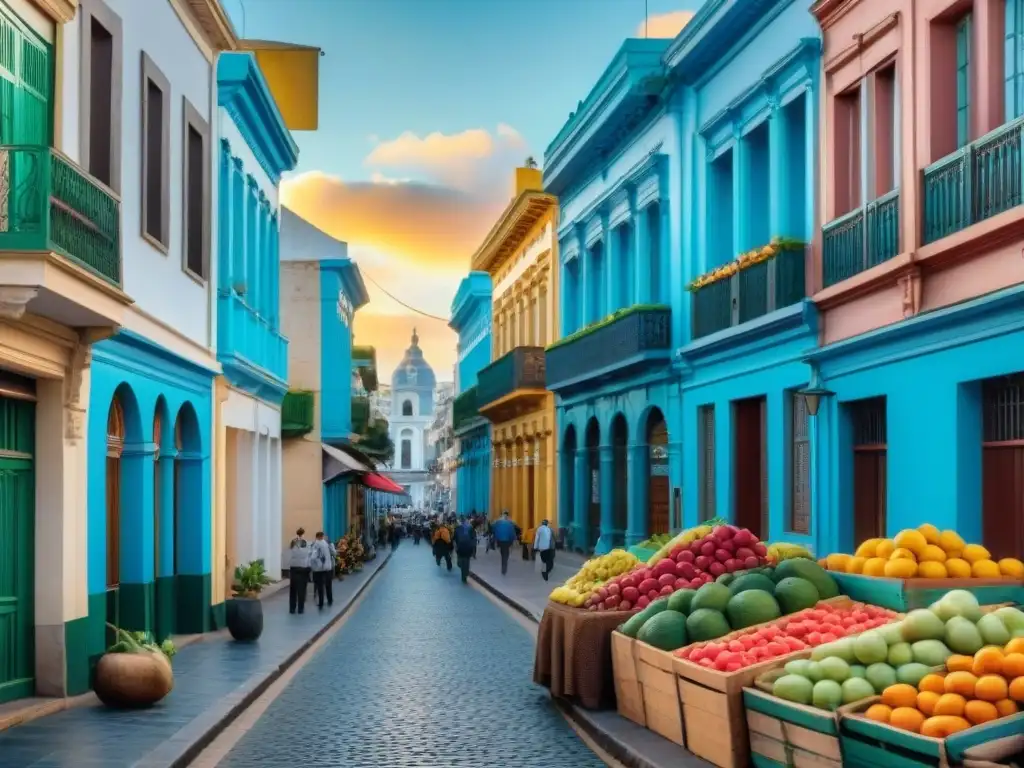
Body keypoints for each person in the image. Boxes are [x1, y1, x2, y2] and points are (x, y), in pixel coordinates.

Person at [288, 527, 311, 614]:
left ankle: (292, 608)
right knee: (301, 589)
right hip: (302, 568)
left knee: (293, 589)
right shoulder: (305, 542)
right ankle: (300, 608)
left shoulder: (293, 542)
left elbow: (291, 551)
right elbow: (308, 554)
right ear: (303, 533)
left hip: (293, 568)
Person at [309, 531, 334, 609]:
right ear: (322, 536)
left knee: (320, 587)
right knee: (328, 585)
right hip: (327, 568)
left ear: (316, 537)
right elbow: (334, 552)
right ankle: (330, 600)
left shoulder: (314, 545)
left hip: (318, 569)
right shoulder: (328, 544)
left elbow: (312, 556)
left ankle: (321, 603)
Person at [492, 511, 516, 576]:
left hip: (500, 541)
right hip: (507, 541)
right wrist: (513, 540)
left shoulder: (498, 522)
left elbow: (494, 529)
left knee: (503, 552)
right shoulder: (510, 523)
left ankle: (504, 563)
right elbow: (512, 533)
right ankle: (504, 565)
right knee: (506, 553)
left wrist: (495, 539)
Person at [453, 516, 476, 584]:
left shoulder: (458, 528)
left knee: (462, 562)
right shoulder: (469, 528)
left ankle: (464, 573)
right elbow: (474, 539)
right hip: (465, 548)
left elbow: (454, 539)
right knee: (464, 561)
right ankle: (465, 572)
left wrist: (455, 546)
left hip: (462, 548)